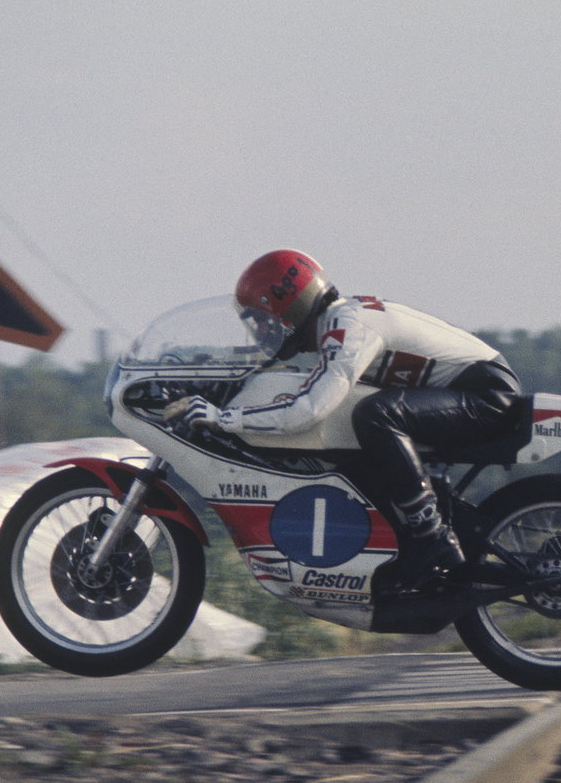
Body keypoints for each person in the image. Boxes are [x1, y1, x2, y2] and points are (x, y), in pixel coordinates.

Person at [172, 249, 520, 590]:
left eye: (264, 319)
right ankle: (405, 535)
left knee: (376, 415)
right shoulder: (336, 322)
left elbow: (308, 410)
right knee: (358, 425)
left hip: (485, 394)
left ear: (288, 307)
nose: (261, 331)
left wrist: (225, 419)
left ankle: (432, 537)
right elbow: (287, 377)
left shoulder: (346, 328)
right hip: (466, 389)